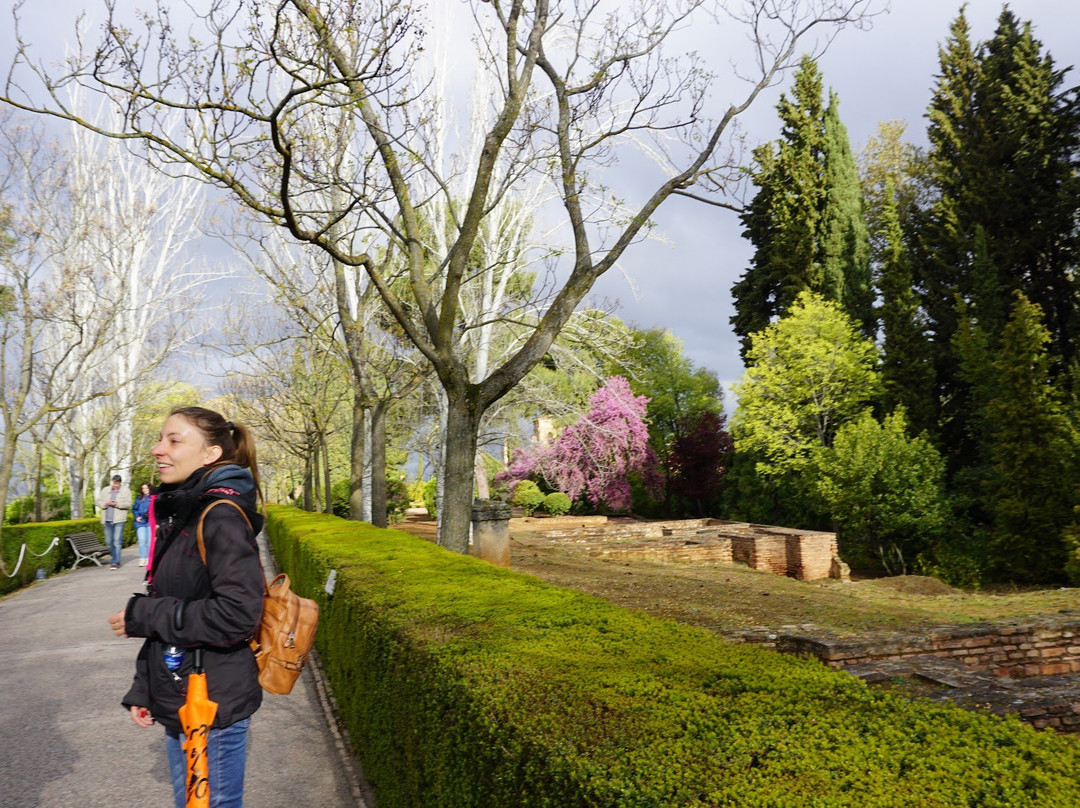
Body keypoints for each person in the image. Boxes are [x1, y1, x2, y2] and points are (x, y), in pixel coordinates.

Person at [107, 406, 265, 808]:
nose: (159, 449)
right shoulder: (186, 512)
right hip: (182, 697)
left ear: (210, 454)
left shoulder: (221, 516)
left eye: (174, 440)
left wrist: (141, 615)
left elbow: (238, 615)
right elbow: (175, 607)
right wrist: (145, 689)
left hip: (212, 702)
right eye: (161, 439)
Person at [96, 474, 133, 569]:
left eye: (118, 483)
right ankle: (116, 558)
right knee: (109, 542)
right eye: (115, 483)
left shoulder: (125, 491)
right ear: (112, 481)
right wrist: (105, 503)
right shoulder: (105, 490)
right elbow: (97, 501)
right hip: (107, 519)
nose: (116, 485)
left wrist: (117, 504)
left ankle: (115, 562)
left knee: (117, 541)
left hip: (119, 519)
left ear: (120, 482)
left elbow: (129, 503)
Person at [132, 482, 152, 567]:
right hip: (140, 522)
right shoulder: (139, 498)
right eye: (143, 488)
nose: (144, 490)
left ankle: (148, 558)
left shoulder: (153, 497)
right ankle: (142, 558)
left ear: (149, 488)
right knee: (142, 541)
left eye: (146, 488)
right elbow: (134, 509)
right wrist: (136, 517)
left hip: (150, 522)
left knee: (149, 542)